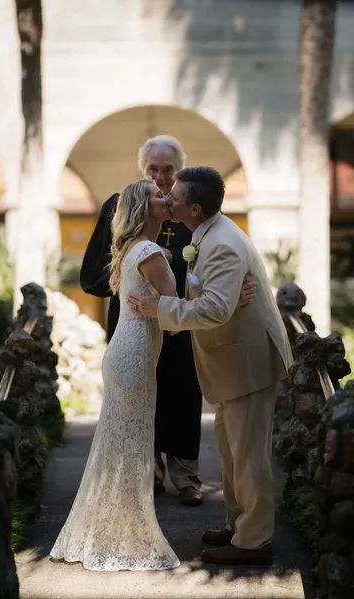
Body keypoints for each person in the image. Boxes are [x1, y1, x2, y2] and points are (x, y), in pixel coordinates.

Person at [127, 166, 294, 566]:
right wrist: (222, 297)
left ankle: (254, 542)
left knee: (249, 457)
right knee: (231, 451)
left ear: (195, 208)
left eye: (176, 197)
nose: (169, 199)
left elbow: (216, 308)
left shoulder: (221, 243)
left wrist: (159, 307)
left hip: (247, 362)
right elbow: (217, 297)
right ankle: (238, 526)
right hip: (232, 362)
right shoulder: (206, 233)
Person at [80, 135, 255, 505]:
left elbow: (212, 264)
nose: (160, 178)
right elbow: (94, 273)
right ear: (143, 169)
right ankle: (148, 470)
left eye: (168, 170)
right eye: (153, 170)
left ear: (179, 169)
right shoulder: (119, 206)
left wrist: (178, 267)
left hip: (179, 321)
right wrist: (137, 270)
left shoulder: (186, 205)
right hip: (134, 319)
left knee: (182, 393)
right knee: (139, 392)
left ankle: (186, 474)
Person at [50, 180, 181, 571]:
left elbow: (164, 302)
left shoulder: (130, 249)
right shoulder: (150, 251)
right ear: (145, 207)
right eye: (159, 195)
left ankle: (109, 533)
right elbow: (175, 311)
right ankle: (127, 537)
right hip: (136, 356)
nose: (166, 196)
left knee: (120, 450)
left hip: (124, 354)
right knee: (133, 451)